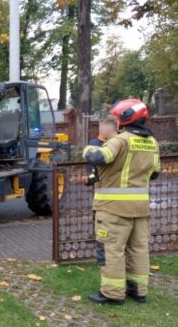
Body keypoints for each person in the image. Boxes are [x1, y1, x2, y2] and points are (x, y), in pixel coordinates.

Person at [82, 99, 161, 305]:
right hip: (141, 209)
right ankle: (138, 291)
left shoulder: (121, 140)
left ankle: (113, 294)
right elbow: (155, 174)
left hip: (113, 209)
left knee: (112, 250)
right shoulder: (152, 143)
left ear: (125, 118)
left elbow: (100, 157)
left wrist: (87, 150)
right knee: (138, 249)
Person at [81, 117, 118, 185]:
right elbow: (91, 167)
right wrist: (89, 178)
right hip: (101, 183)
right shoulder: (94, 143)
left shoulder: (119, 142)